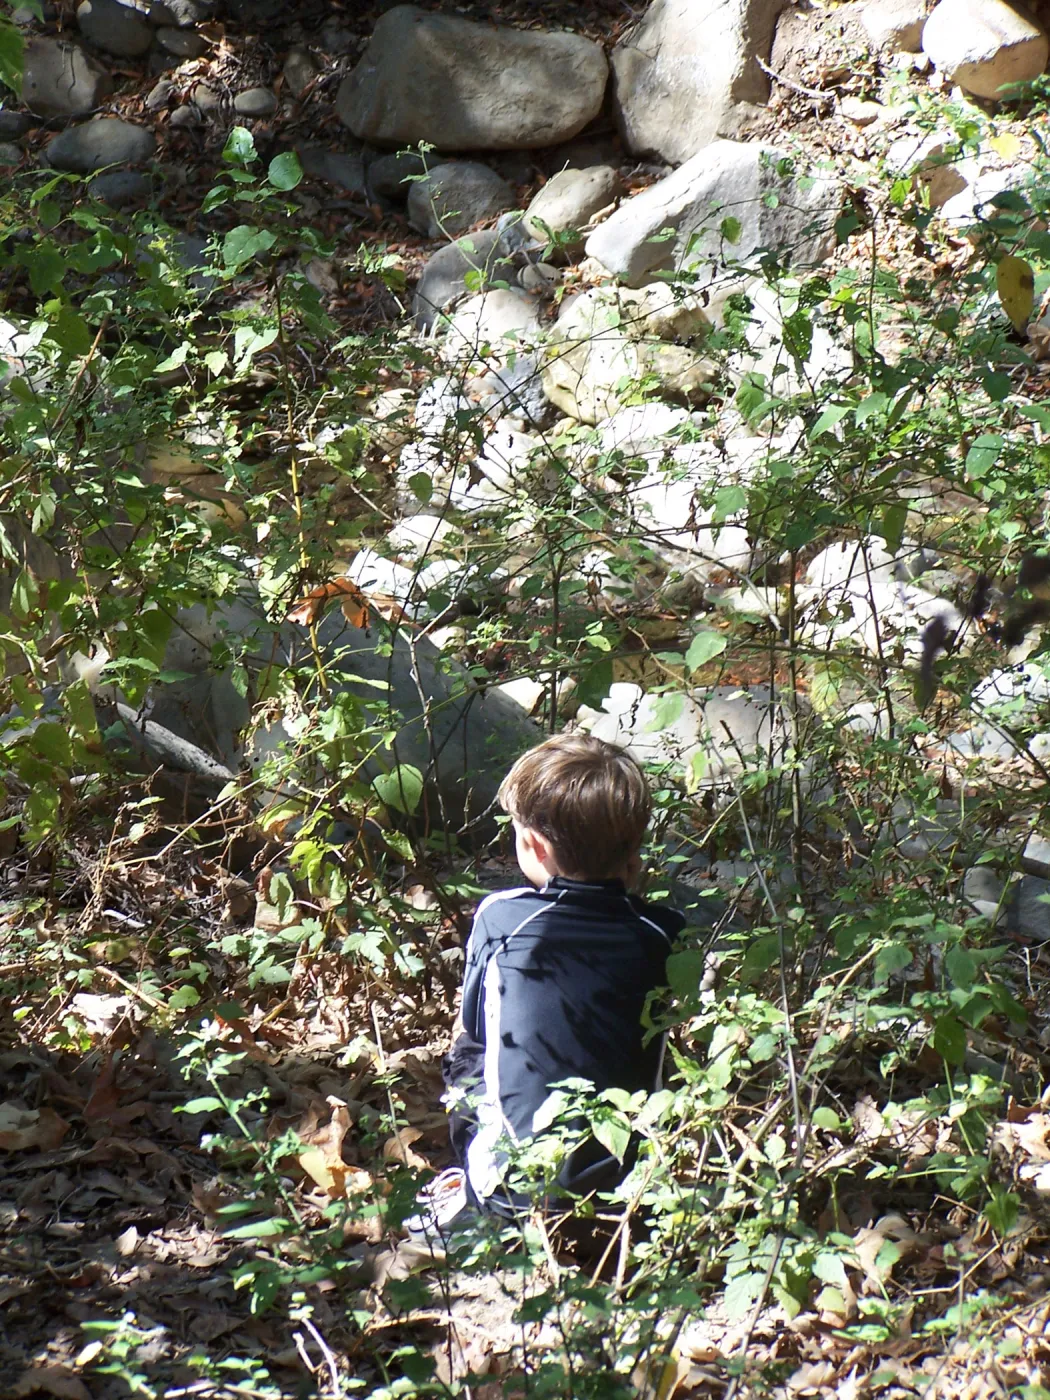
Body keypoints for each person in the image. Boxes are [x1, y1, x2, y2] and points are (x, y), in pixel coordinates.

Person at [405, 733, 684, 1244]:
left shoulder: (501, 915)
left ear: (534, 845)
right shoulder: (664, 932)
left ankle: (470, 1186)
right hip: (629, 1195)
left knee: (472, 1046)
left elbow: (474, 1031)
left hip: (518, 1193)